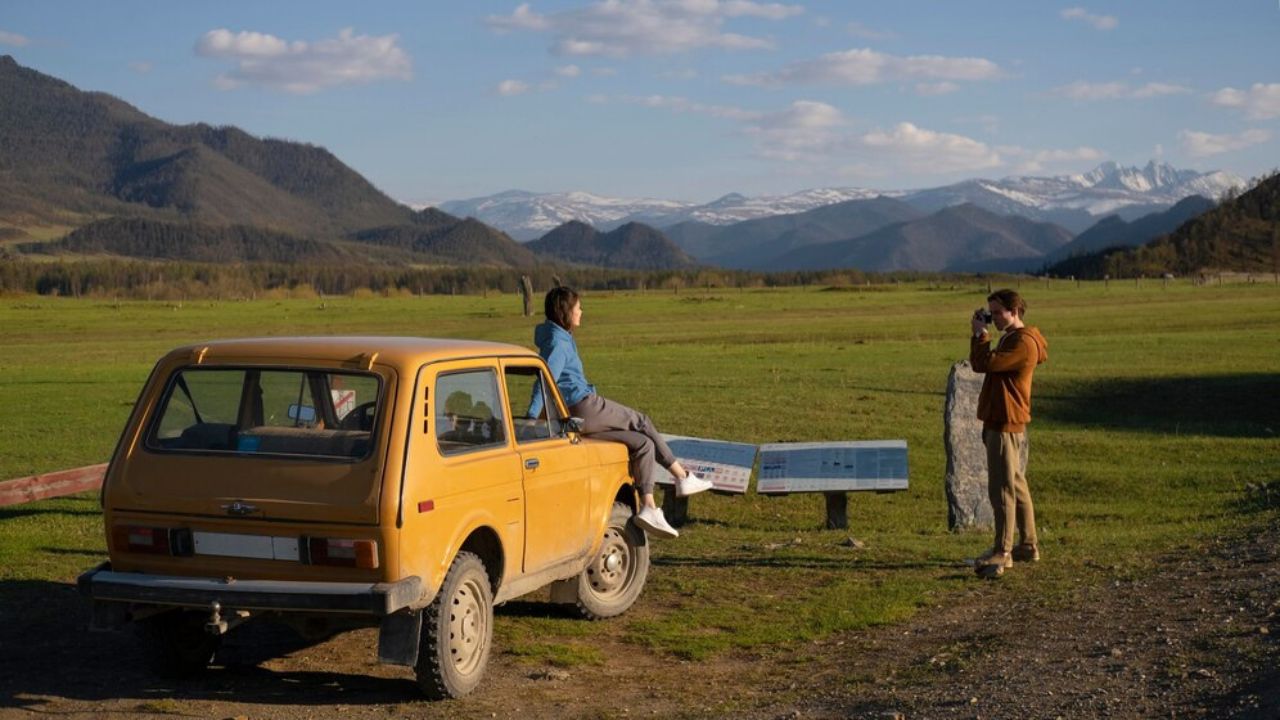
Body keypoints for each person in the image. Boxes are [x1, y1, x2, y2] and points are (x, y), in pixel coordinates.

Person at [528, 286, 713, 538]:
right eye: (578, 307)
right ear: (565, 312)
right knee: (641, 420)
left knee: (643, 444)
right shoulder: (558, 343)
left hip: (576, 415)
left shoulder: (559, 337)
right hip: (583, 405)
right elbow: (544, 379)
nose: (581, 311)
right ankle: (682, 476)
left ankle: (648, 506)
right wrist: (530, 417)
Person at [969, 289, 1049, 579]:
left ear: (1015, 311)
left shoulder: (1021, 343)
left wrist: (980, 335)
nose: (994, 318)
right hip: (1004, 419)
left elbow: (984, 364)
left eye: (998, 312)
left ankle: (1003, 551)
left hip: (1005, 422)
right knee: (1016, 484)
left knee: (1001, 488)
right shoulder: (1014, 338)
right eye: (991, 313)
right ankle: (1027, 545)